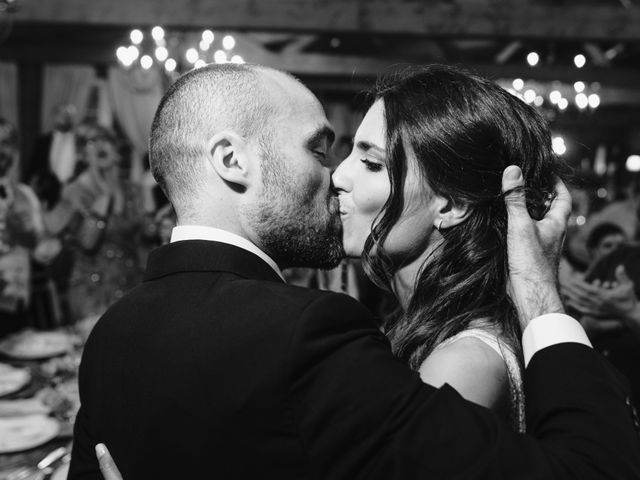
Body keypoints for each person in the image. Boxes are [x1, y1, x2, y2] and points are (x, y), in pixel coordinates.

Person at [69, 64, 640, 480]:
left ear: (450, 204)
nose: (337, 175)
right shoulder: (344, 329)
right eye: (326, 152)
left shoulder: (459, 361)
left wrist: (540, 289)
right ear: (228, 160)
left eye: (367, 161)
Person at [43, 123, 147, 323]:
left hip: (132, 284)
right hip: (93, 291)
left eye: (105, 139)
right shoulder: (74, 191)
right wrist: (104, 198)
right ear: (82, 155)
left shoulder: (132, 190)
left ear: (116, 150)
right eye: (91, 142)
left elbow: (145, 237)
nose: (100, 145)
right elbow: (87, 243)